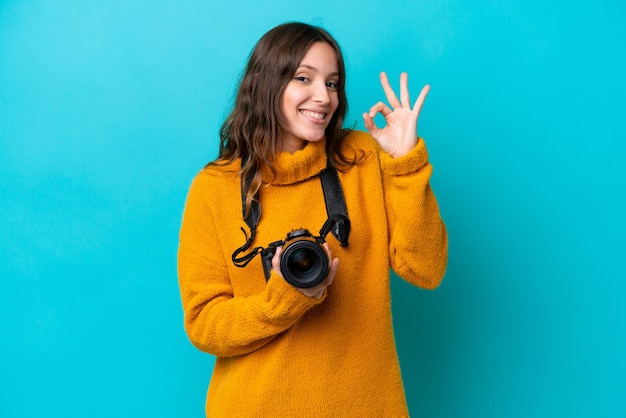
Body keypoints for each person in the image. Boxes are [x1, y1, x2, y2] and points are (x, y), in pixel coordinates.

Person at [177, 21, 448, 417]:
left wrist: (404, 165)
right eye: (304, 78)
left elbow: (426, 269)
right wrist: (285, 297)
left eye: (333, 83)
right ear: (267, 83)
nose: (323, 97)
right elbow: (204, 323)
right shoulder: (215, 188)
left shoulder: (360, 157)